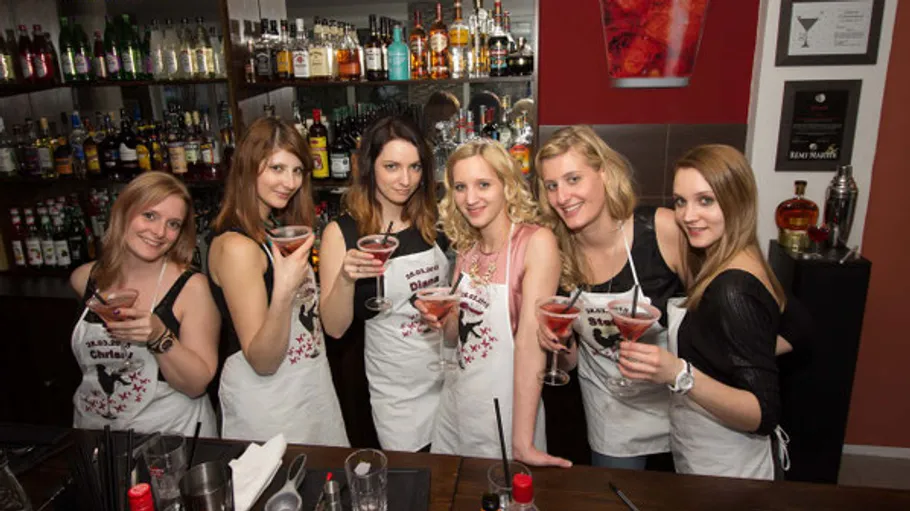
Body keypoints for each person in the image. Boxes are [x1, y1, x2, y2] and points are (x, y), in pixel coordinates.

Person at [618, 144, 788, 479]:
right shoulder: (738, 256)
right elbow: (800, 325)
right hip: (705, 457)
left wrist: (679, 374)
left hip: (730, 473)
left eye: (705, 200)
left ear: (738, 199)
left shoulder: (732, 287)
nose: (688, 215)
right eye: (680, 201)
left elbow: (763, 412)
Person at [535, 125, 685, 469]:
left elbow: (711, 307)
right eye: (552, 186)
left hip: (675, 405)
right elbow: (570, 363)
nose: (562, 196)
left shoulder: (661, 230)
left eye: (574, 179)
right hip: (611, 412)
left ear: (603, 173)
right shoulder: (557, 251)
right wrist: (555, 340)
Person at [420, 138, 565, 465]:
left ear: (507, 185)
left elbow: (531, 345)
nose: (470, 199)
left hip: (506, 409)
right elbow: (457, 339)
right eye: (460, 187)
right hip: (456, 402)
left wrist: (522, 442)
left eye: (483, 184)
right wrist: (444, 320)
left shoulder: (534, 242)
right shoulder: (466, 247)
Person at [207, 117, 347, 446]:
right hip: (269, 407)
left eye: (298, 171)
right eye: (277, 169)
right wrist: (284, 289)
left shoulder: (272, 229)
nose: (290, 182)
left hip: (307, 390)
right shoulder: (237, 248)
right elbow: (263, 360)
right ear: (247, 167)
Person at [319, 115, 449, 452]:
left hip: (450, 382)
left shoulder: (435, 223)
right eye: (392, 166)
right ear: (370, 167)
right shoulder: (343, 233)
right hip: (398, 398)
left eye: (415, 167)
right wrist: (347, 278)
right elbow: (334, 328)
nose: (406, 180)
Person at [69, 172, 219, 437]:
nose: (160, 232)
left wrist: (159, 335)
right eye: (149, 216)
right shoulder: (84, 279)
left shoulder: (192, 287)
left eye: (173, 224)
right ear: (123, 213)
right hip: (95, 435)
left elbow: (197, 384)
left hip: (170, 439)